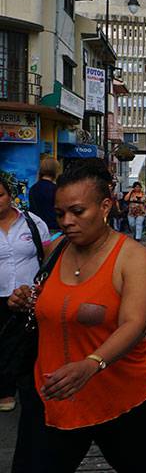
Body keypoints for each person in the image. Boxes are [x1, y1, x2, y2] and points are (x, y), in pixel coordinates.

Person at [7, 158, 146, 473]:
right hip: (56, 394)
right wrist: (27, 300)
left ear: (105, 207)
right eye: (60, 214)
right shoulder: (55, 248)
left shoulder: (132, 257)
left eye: (77, 211)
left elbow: (135, 323)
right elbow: (54, 302)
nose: (67, 221)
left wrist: (92, 363)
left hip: (124, 396)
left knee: (142, 467)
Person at [0, 173, 50, 421]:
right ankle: (5, 390)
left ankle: (30, 388)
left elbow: (48, 255)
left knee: (31, 344)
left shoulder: (31, 222)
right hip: (0, 297)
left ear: (10, 195)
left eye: (0, 195)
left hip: (31, 296)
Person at [28, 157, 59, 231]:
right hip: (54, 229)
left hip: (37, 228)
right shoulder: (56, 189)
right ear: (55, 171)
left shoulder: (33, 188)